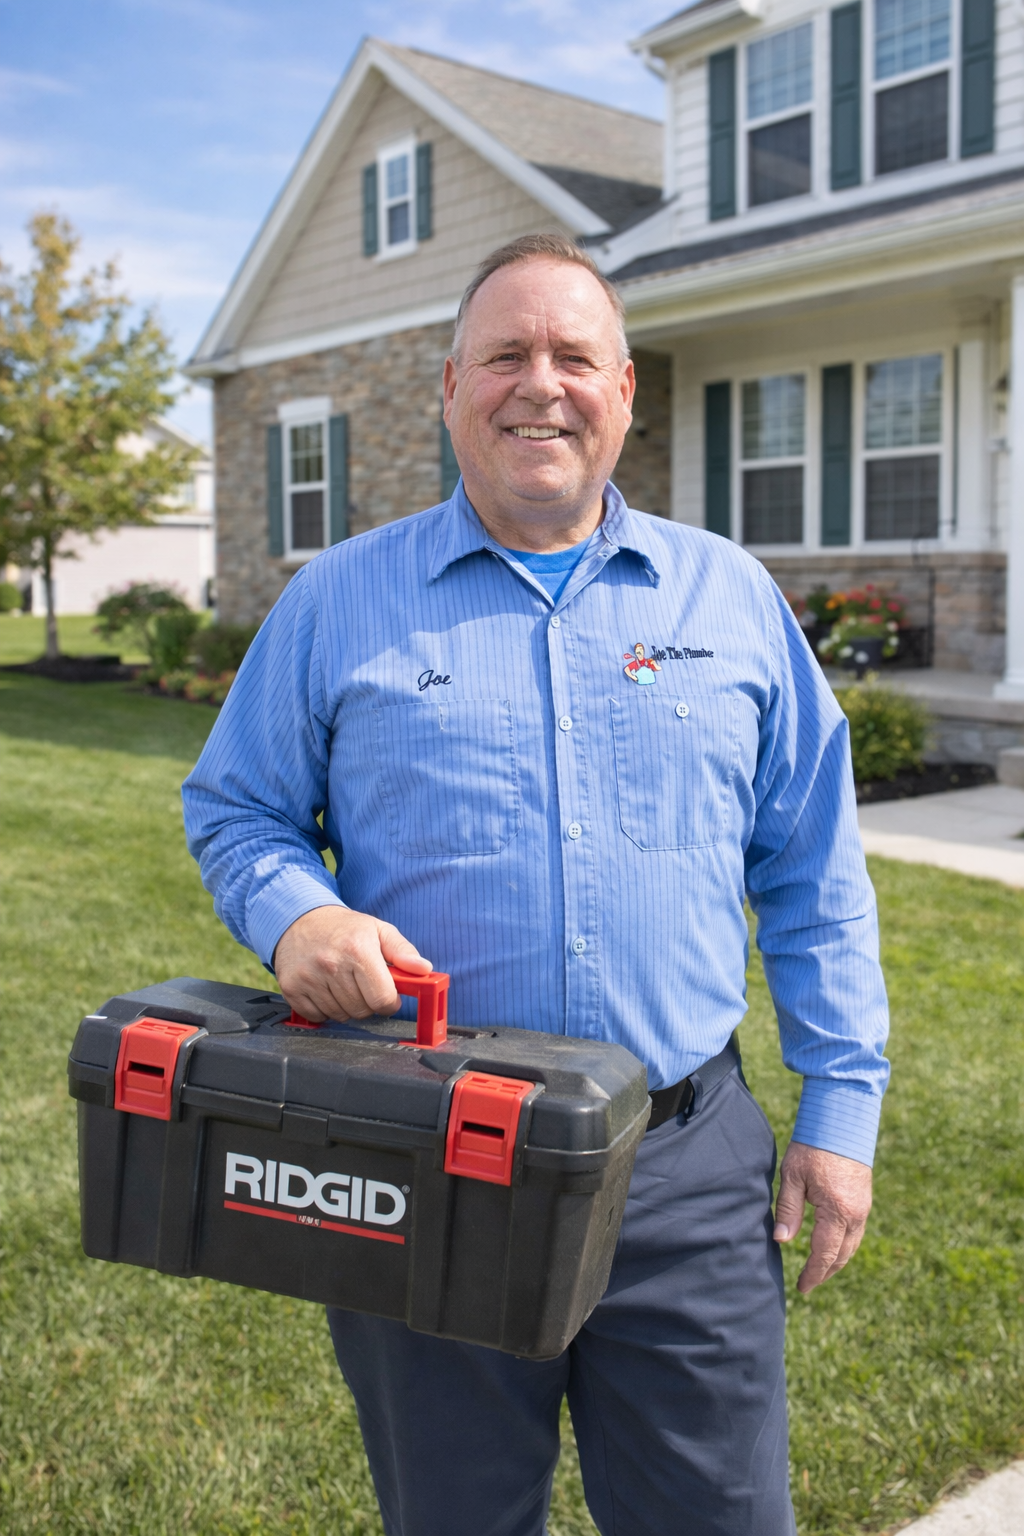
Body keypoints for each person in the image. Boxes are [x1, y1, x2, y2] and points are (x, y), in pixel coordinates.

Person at [183, 232, 889, 1536]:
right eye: (506, 353)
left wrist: (840, 1108)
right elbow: (236, 808)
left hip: (683, 1168)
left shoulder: (729, 599)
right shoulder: (339, 602)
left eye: (575, 356)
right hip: (432, 1159)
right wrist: (302, 914)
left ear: (625, 391)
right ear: (452, 384)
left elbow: (813, 869)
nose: (540, 384)